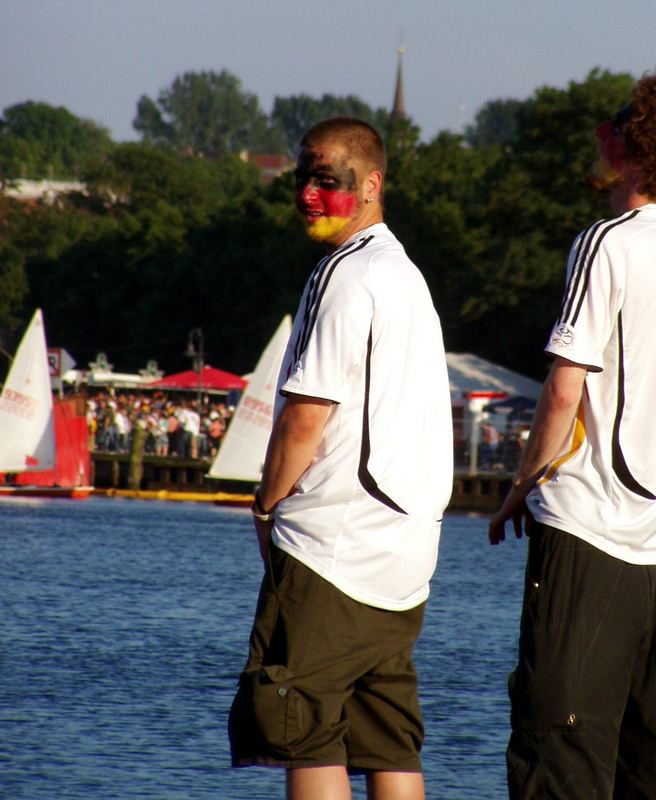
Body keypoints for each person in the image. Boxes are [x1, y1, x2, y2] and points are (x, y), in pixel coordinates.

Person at [488, 75, 656, 799]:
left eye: (616, 125)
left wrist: (520, 487)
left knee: (557, 760)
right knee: (653, 768)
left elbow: (565, 387)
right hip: (652, 545)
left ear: (639, 149)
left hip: (586, 528)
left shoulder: (605, 242)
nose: (602, 134)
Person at [228, 117, 453, 800]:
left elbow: (303, 418)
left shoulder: (346, 275)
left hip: (334, 548)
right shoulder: (406, 275)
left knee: (306, 732)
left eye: (328, 179)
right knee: (389, 741)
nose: (308, 193)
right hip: (404, 560)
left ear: (371, 184)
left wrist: (266, 504)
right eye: (302, 178)